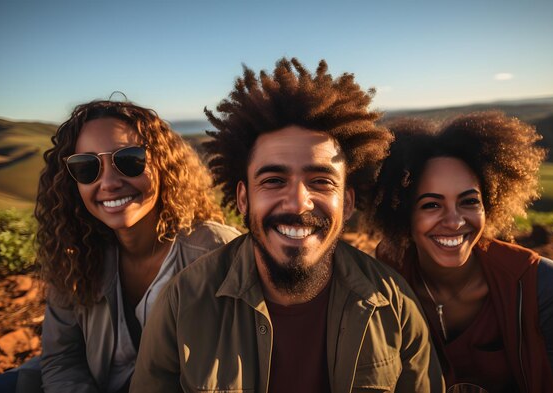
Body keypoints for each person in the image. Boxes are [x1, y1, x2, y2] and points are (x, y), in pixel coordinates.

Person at [130, 58, 444, 392]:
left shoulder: (394, 306)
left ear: (348, 202)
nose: (297, 203)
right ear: (243, 198)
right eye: (274, 180)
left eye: (321, 181)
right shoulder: (183, 304)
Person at [366, 112, 553, 392]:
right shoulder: (384, 283)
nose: (454, 221)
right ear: (402, 213)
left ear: (490, 204)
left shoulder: (550, 291)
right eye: (431, 205)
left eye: (469, 201)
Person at [32, 99, 240, 392]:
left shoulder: (216, 252)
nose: (109, 182)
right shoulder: (75, 256)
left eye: (129, 160)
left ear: (163, 165)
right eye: (86, 167)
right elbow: (62, 359)